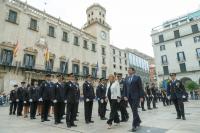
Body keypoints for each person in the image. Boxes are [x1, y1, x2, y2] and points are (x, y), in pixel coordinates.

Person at [123, 67, 144, 132]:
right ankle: (139, 121)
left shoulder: (137, 77)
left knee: (134, 110)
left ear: (133, 71)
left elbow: (140, 87)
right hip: (129, 97)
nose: (128, 71)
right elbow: (125, 88)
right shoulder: (126, 78)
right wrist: (125, 96)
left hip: (136, 96)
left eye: (130, 70)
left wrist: (141, 96)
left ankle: (134, 125)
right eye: (128, 70)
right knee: (133, 110)